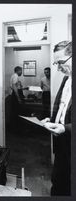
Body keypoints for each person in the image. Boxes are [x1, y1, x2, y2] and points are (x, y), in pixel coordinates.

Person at [41, 41, 72, 195]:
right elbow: (62, 106)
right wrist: (51, 120)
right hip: (61, 145)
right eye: (56, 63)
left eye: (60, 62)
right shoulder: (67, 79)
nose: (58, 68)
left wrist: (65, 128)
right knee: (58, 182)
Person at [9, 66, 26, 130]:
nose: (21, 72)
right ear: (18, 71)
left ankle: (16, 127)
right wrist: (18, 98)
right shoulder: (15, 76)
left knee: (16, 111)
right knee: (17, 111)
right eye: (21, 71)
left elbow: (17, 87)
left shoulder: (14, 76)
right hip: (16, 95)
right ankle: (16, 128)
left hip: (16, 94)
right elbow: (15, 87)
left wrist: (23, 88)